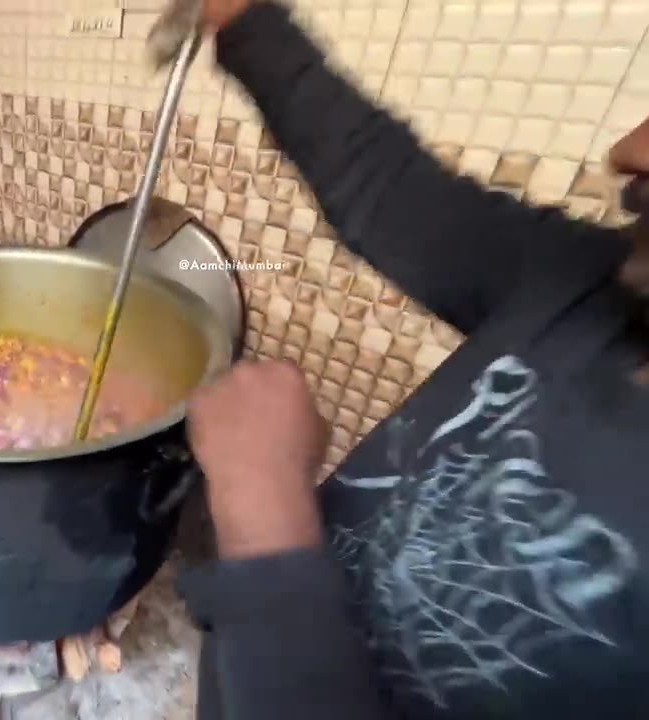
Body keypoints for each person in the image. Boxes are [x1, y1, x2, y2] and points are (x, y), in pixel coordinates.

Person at [176, 1, 649, 719]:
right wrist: (245, 22)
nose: (630, 150)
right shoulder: (596, 279)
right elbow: (399, 199)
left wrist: (263, 503)